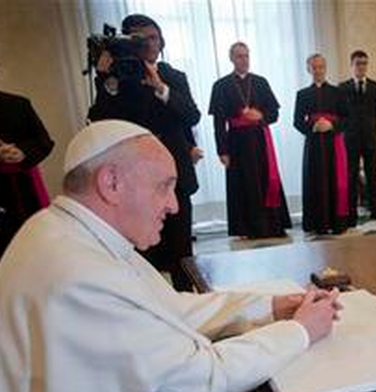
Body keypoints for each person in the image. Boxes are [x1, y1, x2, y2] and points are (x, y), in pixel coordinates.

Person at [0, 120, 342, 392]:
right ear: (111, 182)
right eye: (164, 187)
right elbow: (207, 378)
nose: (175, 206)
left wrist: (271, 307)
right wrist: (302, 331)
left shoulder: (67, 233)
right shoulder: (74, 272)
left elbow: (170, 309)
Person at [88, 13, 201, 291]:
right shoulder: (118, 78)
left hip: (175, 175)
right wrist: (104, 78)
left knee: (182, 253)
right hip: (134, 178)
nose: (149, 44)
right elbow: (99, 119)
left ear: (161, 42)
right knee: (142, 256)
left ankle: (191, 309)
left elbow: (192, 115)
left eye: (153, 37)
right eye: (140, 39)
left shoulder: (174, 76)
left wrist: (161, 88)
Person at [209, 42, 291, 238]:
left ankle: (271, 225)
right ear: (231, 58)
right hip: (236, 143)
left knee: (265, 181)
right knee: (242, 184)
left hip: (260, 141)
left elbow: (274, 113)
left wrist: (260, 116)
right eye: (239, 56)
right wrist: (222, 151)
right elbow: (219, 122)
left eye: (246, 56)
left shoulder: (261, 82)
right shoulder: (221, 86)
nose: (243, 60)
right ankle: (247, 228)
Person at [0, 87, 53, 262]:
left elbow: (44, 141)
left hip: (26, 187)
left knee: (40, 246)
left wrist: (23, 152)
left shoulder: (18, 104)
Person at [294, 53, 350, 234]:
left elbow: (347, 118)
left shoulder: (338, 92)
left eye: (321, 67)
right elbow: (297, 122)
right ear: (308, 69)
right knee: (315, 180)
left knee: (335, 181)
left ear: (325, 68)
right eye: (314, 67)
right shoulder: (302, 94)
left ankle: (336, 222)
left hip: (334, 143)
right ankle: (316, 223)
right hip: (314, 144)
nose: (318, 71)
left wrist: (331, 125)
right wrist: (313, 127)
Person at [339, 50, 376, 221]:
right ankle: (351, 214)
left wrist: (369, 128)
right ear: (352, 65)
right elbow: (340, 114)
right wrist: (349, 129)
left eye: (364, 63)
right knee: (351, 176)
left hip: (371, 138)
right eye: (358, 63)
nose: (362, 67)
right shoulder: (342, 87)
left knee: (372, 175)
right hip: (350, 139)